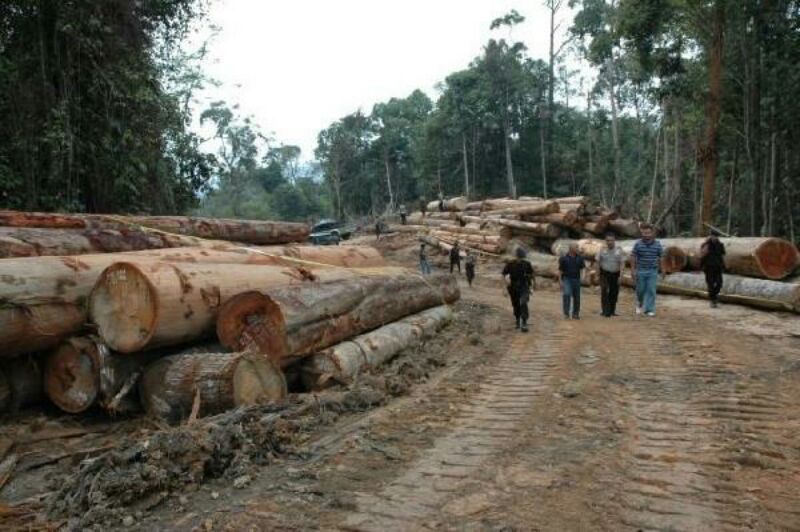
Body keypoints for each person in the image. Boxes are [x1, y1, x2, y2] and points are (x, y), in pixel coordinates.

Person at [631, 223, 664, 317]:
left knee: (651, 290)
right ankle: (640, 303)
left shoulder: (657, 244)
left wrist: (663, 270)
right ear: (642, 233)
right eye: (644, 233)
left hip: (652, 270)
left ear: (652, 233)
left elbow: (661, 257)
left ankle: (649, 309)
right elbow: (633, 256)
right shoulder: (638, 244)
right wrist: (633, 270)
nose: (647, 235)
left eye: (648, 233)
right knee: (640, 290)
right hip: (641, 270)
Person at [502, 247, 535, 332]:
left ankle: (524, 322)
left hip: (524, 286)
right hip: (513, 286)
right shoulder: (510, 264)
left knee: (523, 302)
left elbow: (532, 275)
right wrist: (504, 288)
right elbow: (504, 274)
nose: (520, 259)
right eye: (519, 257)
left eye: (521, 257)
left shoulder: (527, 264)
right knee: (515, 304)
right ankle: (517, 320)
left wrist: (533, 286)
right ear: (516, 256)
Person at [595, 233, 625, 317]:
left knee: (614, 292)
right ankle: (605, 311)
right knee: (604, 290)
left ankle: (612, 310)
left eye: (611, 240)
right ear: (605, 241)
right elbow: (597, 262)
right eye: (608, 240)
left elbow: (622, 263)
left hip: (615, 273)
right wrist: (597, 274)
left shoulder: (619, 250)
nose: (610, 242)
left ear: (614, 240)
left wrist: (621, 276)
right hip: (604, 273)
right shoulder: (602, 249)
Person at [558, 243, 586, 320]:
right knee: (566, 294)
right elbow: (560, 270)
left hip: (577, 279)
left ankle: (575, 314)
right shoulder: (563, 258)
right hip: (567, 279)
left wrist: (583, 277)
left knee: (577, 297)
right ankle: (566, 314)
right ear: (571, 249)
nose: (578, 249)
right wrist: (560, 281)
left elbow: (583, 268)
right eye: (576, 247)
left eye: (577, 247)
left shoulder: (580, 258)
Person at [700, 230, 726, 308]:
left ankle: (714, 296)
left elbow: (722, 256)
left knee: (719, 283)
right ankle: (713, 300)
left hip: (718, 266)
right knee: (710, 284)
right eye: (713, 236)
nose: (714, 237)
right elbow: (702, 256)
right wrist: (701, 266)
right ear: (710, 236)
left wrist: (724, 266)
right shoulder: (706, 245)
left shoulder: (720, 245)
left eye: (716, 236)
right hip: (708, 267)